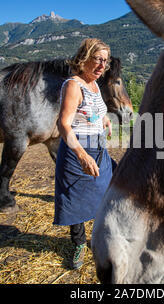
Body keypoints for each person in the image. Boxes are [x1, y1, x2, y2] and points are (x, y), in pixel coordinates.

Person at [54, 38, 115, 269]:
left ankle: (101, 238)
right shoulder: (73, 85)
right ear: (84, 58)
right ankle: (79, 243)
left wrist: (105, 119)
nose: (102, 66)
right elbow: (63, 124)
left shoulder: (94, 84)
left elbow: (95, 109)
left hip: (98, 147)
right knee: (76, 199)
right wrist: (81, 154)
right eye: (98, 59)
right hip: (76, 150)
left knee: (106, 191)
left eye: (105, 61)